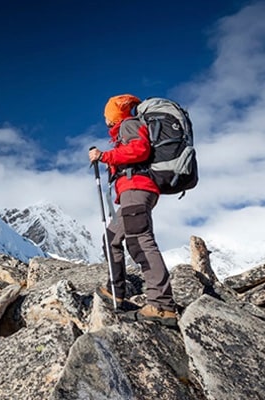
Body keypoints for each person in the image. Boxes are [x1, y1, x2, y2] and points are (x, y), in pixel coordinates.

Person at [88, 94, 178, 327]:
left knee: (140, 240)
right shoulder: (125, 130)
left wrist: (104, 156)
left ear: (114, 115)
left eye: (106, 114)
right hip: (132, 192)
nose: (105, 119)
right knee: (112, 238)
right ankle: (115, 291)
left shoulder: (128, 125)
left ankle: (161, 304)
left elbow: (140, 150)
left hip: (137, 189)